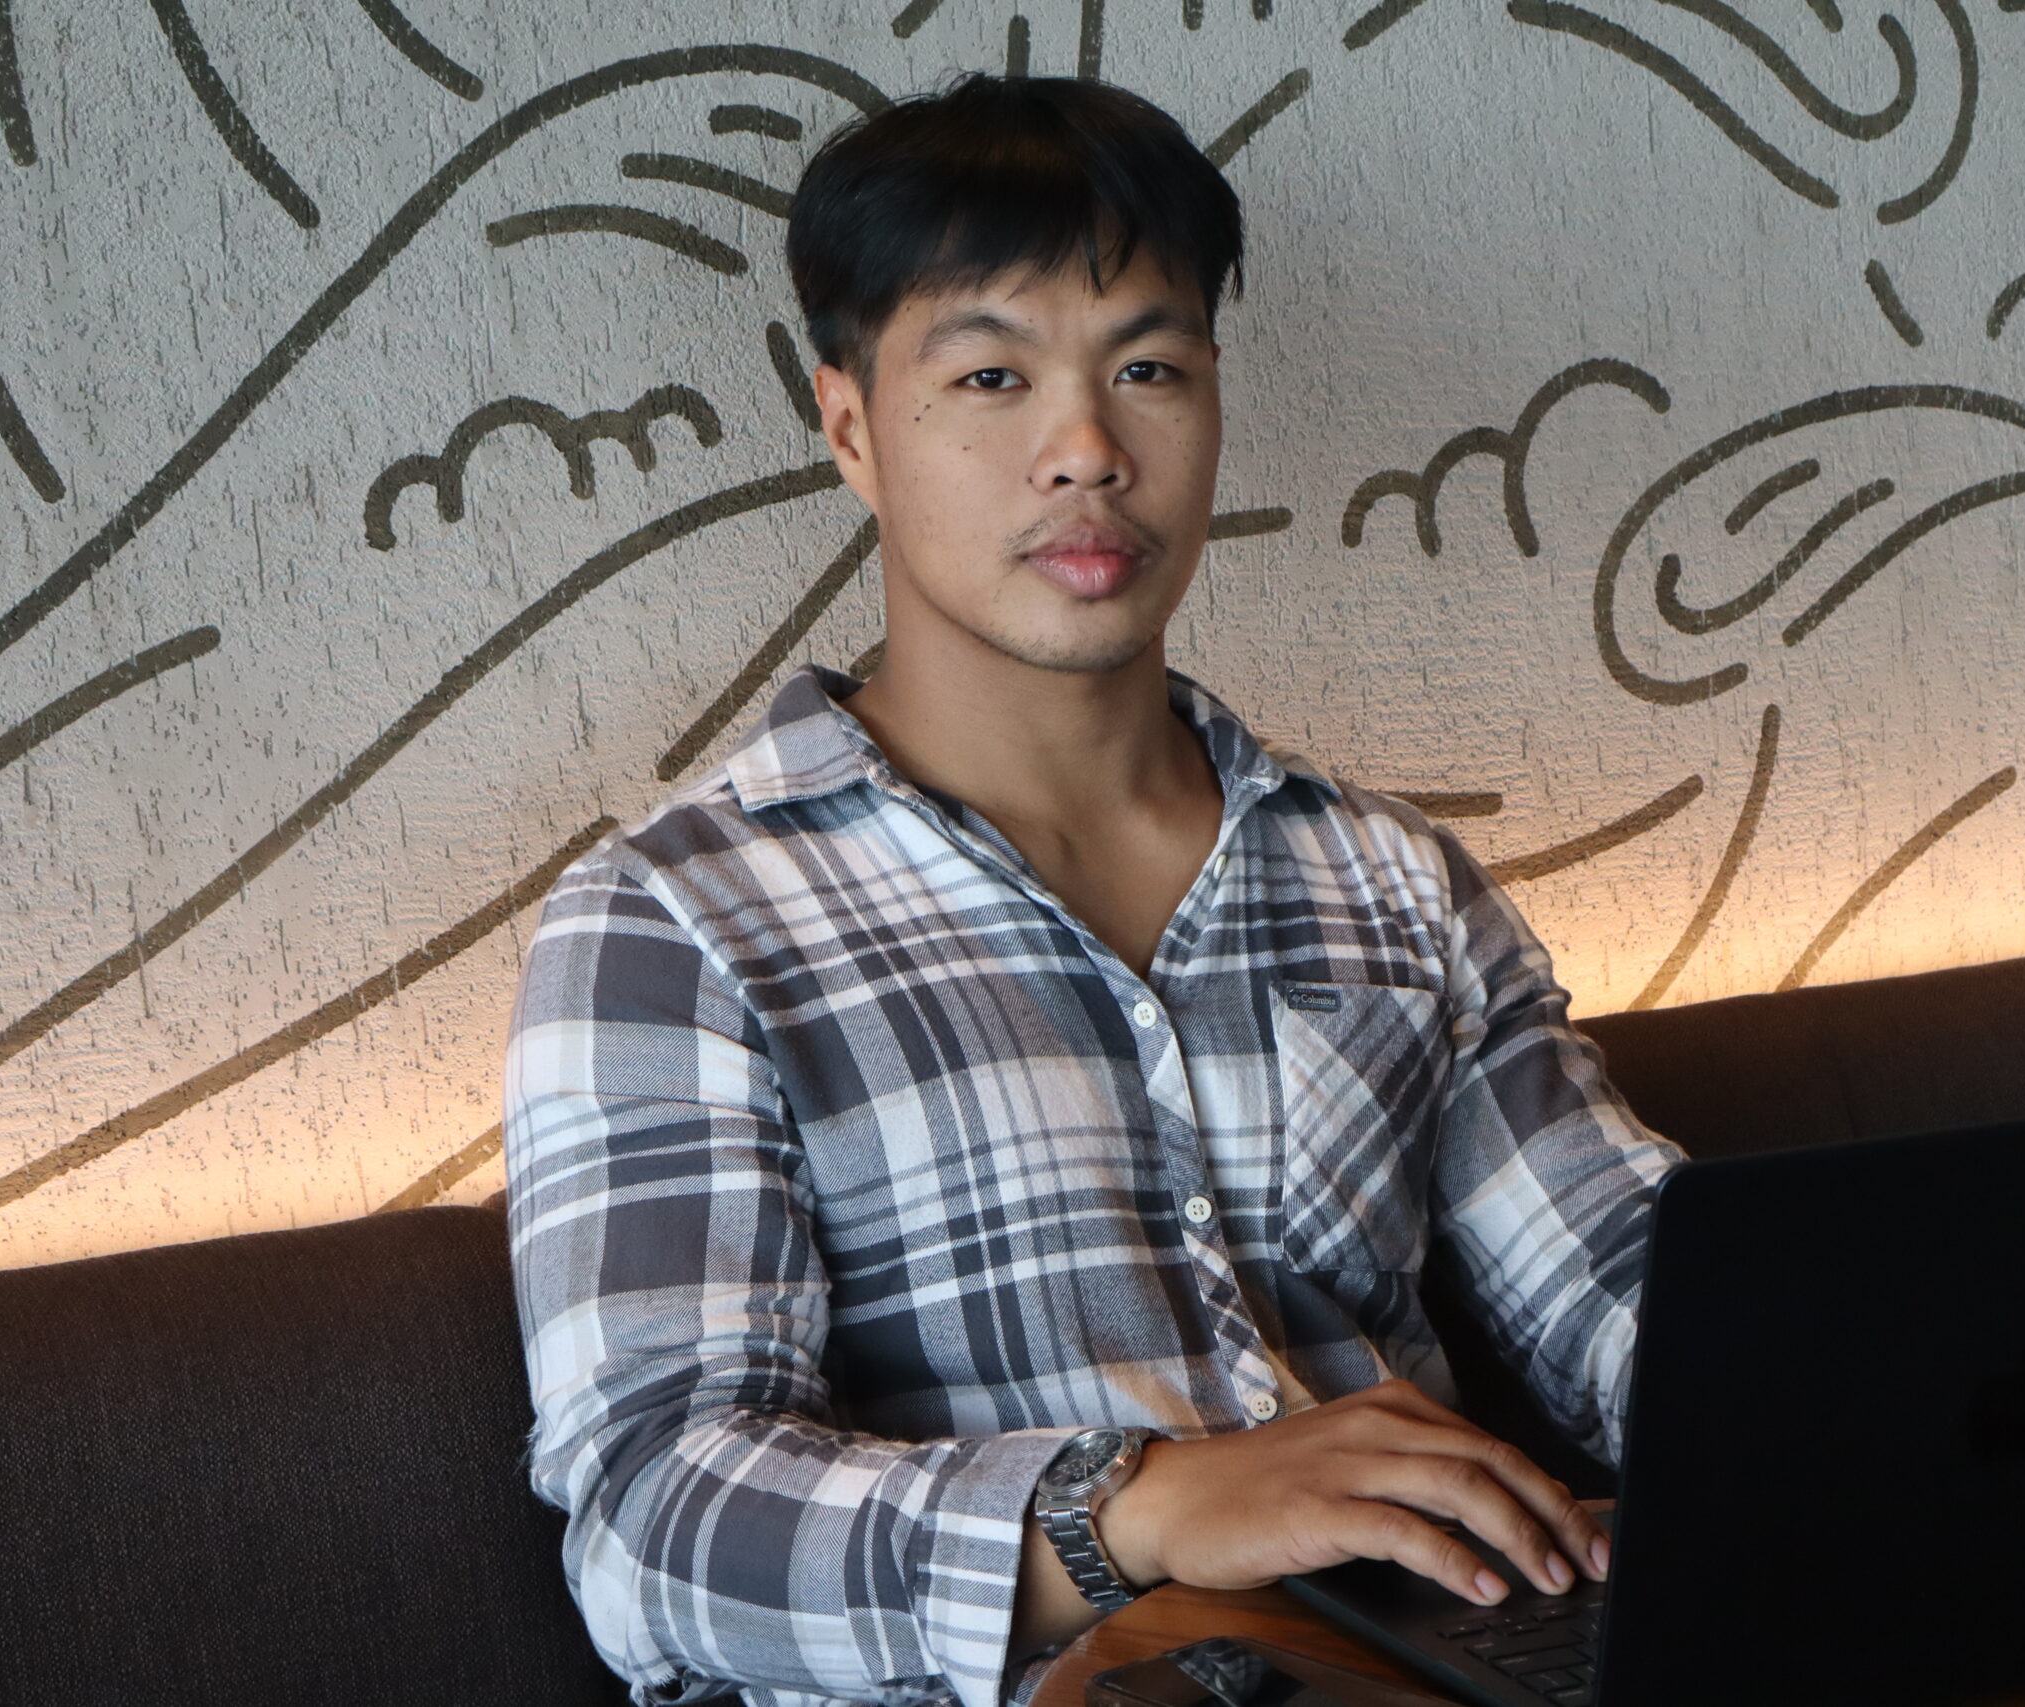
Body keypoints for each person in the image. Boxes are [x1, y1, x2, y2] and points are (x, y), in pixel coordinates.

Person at [503, 72, 1681, 1707]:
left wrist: (1863, 1408)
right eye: (991, 374)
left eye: (1148, 368)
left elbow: (1628, 1284)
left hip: (1424, 1670)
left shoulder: (1388, 880)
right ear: (850, 426)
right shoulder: (678, 921)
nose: (1087, 451)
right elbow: (654, 1524)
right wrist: (1134, 1505)